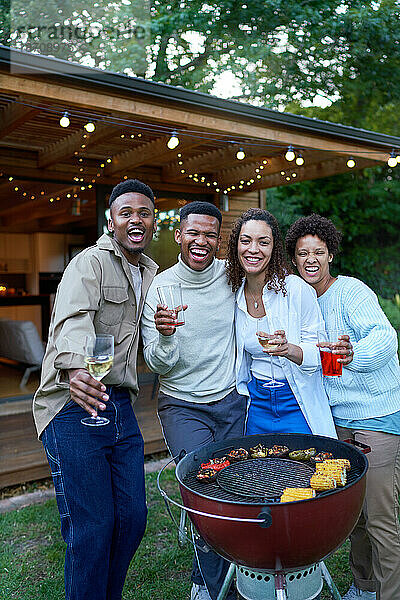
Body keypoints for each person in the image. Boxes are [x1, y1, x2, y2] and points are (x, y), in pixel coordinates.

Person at [33, 179, 158, 600]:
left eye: (144, 212)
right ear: (112, 220)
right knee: (92, 527)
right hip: (73, 403)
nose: (135, 219)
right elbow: (72, 321)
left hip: (119, 403)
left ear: (153, 221)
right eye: (127, 212)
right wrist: (72, 368)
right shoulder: (89, 264)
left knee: (132, 518)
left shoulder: (150, 272)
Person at [285, 213, 400, 600]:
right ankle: (365, 586)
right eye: (303, 253)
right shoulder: (301, 300)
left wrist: (354, 355)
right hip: (338, 421)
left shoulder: (350, 292)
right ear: (295, 260)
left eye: (319, 251)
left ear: (331, 254)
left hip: (376, 416)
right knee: (357, 515)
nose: (311, 259)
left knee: (381, 519)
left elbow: (385, 337)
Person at [141, 201, 246, 600]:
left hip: (232, 401)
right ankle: (214, 586)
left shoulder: (231, 275)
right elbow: (155, 362)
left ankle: (222, 577)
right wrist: (166, 335)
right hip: (182, 405)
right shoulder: (162, 287)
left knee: (236, 488)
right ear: (179, 235)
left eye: (210, 234)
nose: (201, 241)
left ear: (219, 240)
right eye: (194, 233)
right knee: (206, 490)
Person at [225, 207, 337, 437]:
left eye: (263, 242)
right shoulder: (232, 294)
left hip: (296, 403)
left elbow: (325, 355)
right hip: (257, 406)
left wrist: (289, 350)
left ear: (274, 248)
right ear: (236, 245)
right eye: (246, 241)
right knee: (259, 471)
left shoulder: (296, 290)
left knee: (304, 471)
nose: (253, 249)